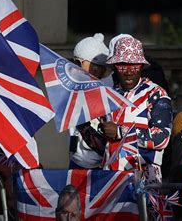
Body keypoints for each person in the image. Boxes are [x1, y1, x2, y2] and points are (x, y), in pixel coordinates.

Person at [99, 35, 173, 184]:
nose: (128, 71)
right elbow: (103, 143)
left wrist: (120, 131)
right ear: (114, 67)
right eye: (122, 65)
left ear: (141, 67)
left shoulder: (156, 94)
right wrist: (89, 130)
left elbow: (163, 137)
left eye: (134, 65)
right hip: (111, 178)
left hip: (144, 179)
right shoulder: (109, 94)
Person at [68, 33, 111, 169]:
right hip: (76, 160)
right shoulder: (73, 88)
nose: (75, 66)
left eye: (79, 62)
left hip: (99, 164)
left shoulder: (106, 90)